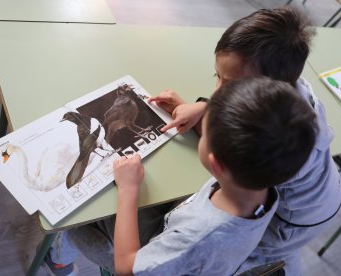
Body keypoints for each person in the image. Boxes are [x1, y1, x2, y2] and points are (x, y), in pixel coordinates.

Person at [42, 77, 318, 275]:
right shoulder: (265, 183)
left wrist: (128, 190)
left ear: (216, 163)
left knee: (75, 219)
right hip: (178, 233)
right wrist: (197, 109)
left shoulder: (198, 236)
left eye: (207, 128)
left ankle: (58, 260)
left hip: (139, 257)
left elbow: (127, 267)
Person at [149, 7, 341, 275]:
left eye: (230, 85)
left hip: (295, 219)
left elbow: (237, 145)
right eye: (217, 76)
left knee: (252, 252)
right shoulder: (286, 85)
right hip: (321, 191)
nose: (217, 92)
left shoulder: (274, 145)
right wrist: (204, 107)